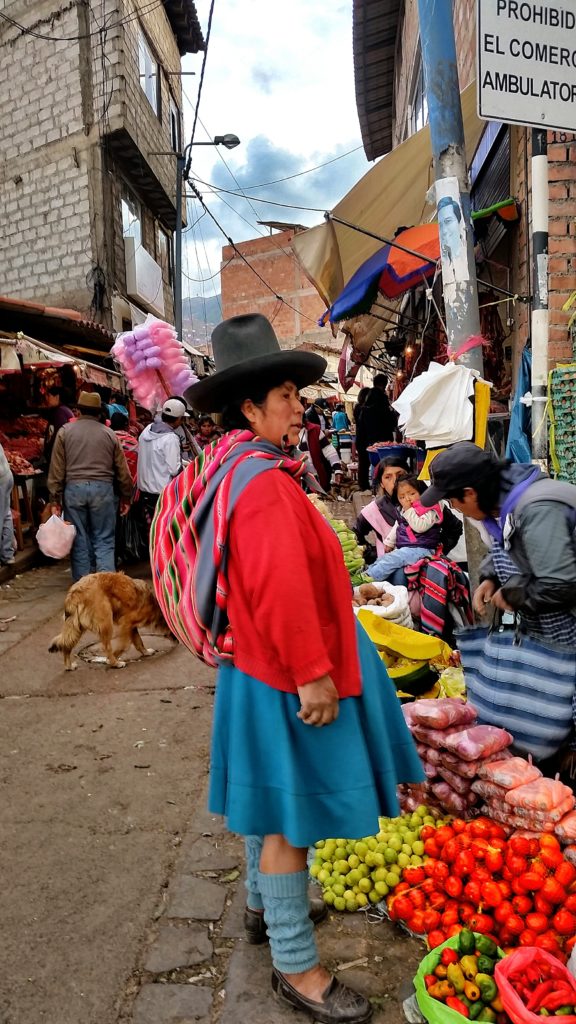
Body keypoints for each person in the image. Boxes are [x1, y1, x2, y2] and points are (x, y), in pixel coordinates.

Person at [151, 314, 423, 1024]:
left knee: (268, 804)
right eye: (286, 396)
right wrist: (313, 672)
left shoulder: (230, 467)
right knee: (290, 826)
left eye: (298, 396)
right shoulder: (265, 484)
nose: (299, 407)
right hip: (283, 672)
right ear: (248, 406)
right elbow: (277, 586)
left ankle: (258, 907)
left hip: (258, 669)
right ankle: (297, 969)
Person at [420, 440, 576, 643]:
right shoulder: (501, 505)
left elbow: (560, 585)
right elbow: (506, 545)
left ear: (469, 493)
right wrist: (490, 577)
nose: (456, 509)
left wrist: (513, 595)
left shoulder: (537, 510)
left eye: (452, 502)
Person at [48, 392, 133, 582]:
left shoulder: (65, 431)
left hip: (74, 490)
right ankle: (105, 587)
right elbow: (122, 470)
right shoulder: (109, 434)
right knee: (104, 540)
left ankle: (83, 586)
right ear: (99, 412)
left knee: (79, 540)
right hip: (103, 491)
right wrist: (126, 496)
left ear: (78, 410)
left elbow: (57, 468)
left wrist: (55, 498)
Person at [366, 476, 443, 582]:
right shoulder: (404, 510)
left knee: (393, 560)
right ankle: (367, 573)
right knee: (384, 559)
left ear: (422, 492)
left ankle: (370, 578)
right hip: (407, 548)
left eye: (412, 494)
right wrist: (389, 542)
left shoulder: (429, 508)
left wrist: (408, 510)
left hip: (422, 549)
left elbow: (420, 527)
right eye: (402, 497)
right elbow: (398, 525)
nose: (407, 499)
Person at [137, 397, 187, 528]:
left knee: (150, 530)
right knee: (162, 530)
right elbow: (174, 470)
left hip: (144, 492)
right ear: (178, 419)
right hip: (162, 495)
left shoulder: (146, 430)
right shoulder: (171, 438)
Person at [354, 456, 410, 561]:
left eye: (400, 475)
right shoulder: (373, 510)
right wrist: (372, 554)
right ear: (382, 484)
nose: (395, 481)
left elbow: (450, 530)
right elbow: (355, 535)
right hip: (390, 570)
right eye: (388, 477)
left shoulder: (426, 502)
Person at [355, 375, 399, 491]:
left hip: (364, 437)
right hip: (379, 438)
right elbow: (390, 421)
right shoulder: (381, 400)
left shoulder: (367, 400)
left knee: (364, 464)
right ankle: (379, 486)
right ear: (384, 384)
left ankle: (364, 487)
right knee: (381, 464)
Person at [298, 420, 342, 492]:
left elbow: (329, 450)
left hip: (316, 478)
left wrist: (337, 469)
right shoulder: (282, 433)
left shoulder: (314, 430)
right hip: (296, 482)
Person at [43, 386, 74, 469]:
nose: (46, 398)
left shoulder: (60, 412)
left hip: (59, 461)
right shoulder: (64, 410)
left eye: (48, 396)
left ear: (57, 397)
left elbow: (58, 436)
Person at [110, 412, 138, 484]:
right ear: (126, 426)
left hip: (108, 482)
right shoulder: (134, 443)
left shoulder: (106, 438)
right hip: (129, 483)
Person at [0, 442, 15, 566]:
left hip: (0, 478)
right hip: (6, 475)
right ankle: (7, 555)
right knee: (5, 515)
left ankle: (7, 554)